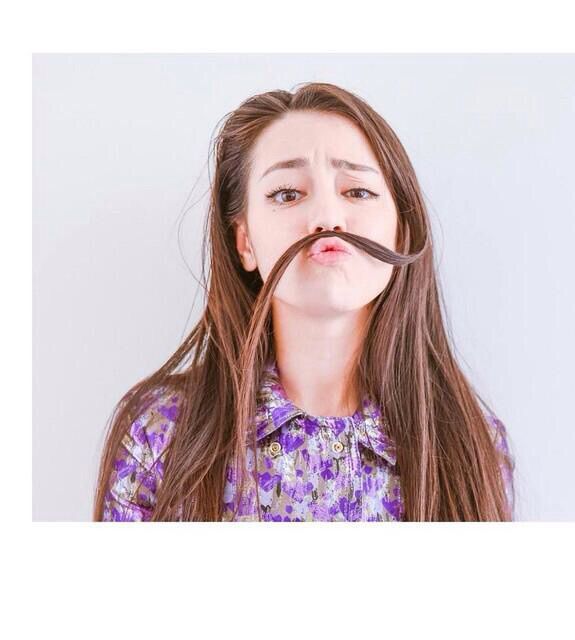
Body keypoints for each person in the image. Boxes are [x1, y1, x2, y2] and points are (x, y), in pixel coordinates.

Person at [93, 81, 515, 522]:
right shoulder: (159, 433)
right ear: (244, 242)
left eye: (357, 192)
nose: (327, 218)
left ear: (401, 231)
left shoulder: (472, 448)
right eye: (288, 194)